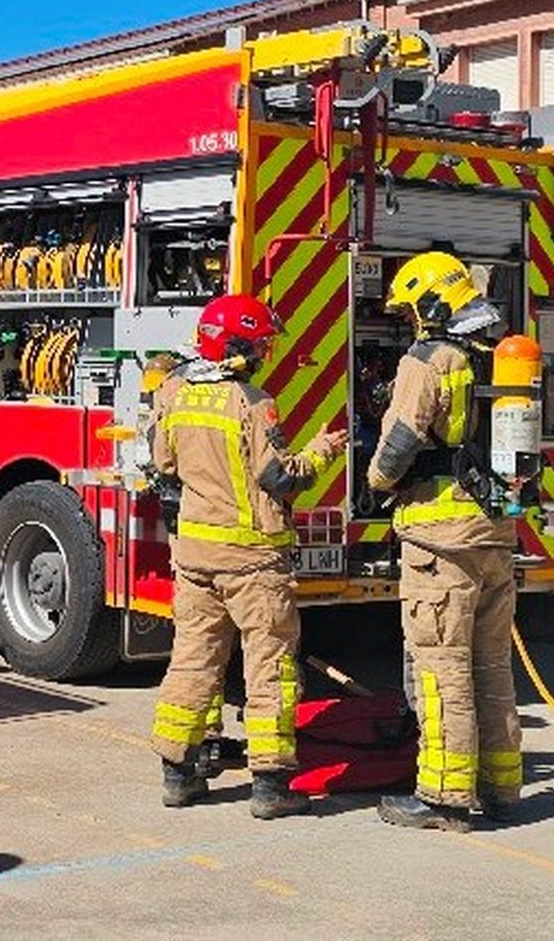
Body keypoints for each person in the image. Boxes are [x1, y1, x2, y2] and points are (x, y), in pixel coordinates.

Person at [149, 293, 346, 818]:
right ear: (235, 344)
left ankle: (178, 775)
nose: (263, 351)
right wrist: (324, 450)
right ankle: (271, 786)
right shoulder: (254, 402)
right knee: (269, 670)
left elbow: (163, 465)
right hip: (253, 559)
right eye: (259, 342)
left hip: (194, 556)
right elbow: (280, 476)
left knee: (193, 661)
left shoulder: (171, 393)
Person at [367, 251, 520, 832]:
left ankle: (444, 797)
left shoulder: (428, 361)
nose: (411, 323)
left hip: (439, 539)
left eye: (412, 311)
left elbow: (400, 445)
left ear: (432, 303)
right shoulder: (496, 355)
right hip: (493, 531)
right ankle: (502, 787)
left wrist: (374, 485)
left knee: (442, 667)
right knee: (491, 666)